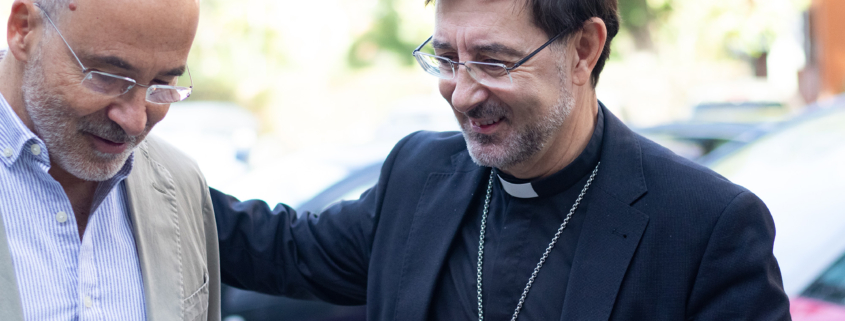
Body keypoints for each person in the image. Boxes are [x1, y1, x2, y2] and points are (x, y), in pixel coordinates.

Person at [211, 0, 790, 319]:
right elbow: (278, 248)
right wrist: (132, 155)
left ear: (584, 50)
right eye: (445, 59)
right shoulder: (417, 175)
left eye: (493, 62)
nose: (461, 93)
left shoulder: (705, 223)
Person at [0, 0, 219, 320]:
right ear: (23, 30)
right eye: (106, 76)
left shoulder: (181, 183)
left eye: (162, 84)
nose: (135, 122)